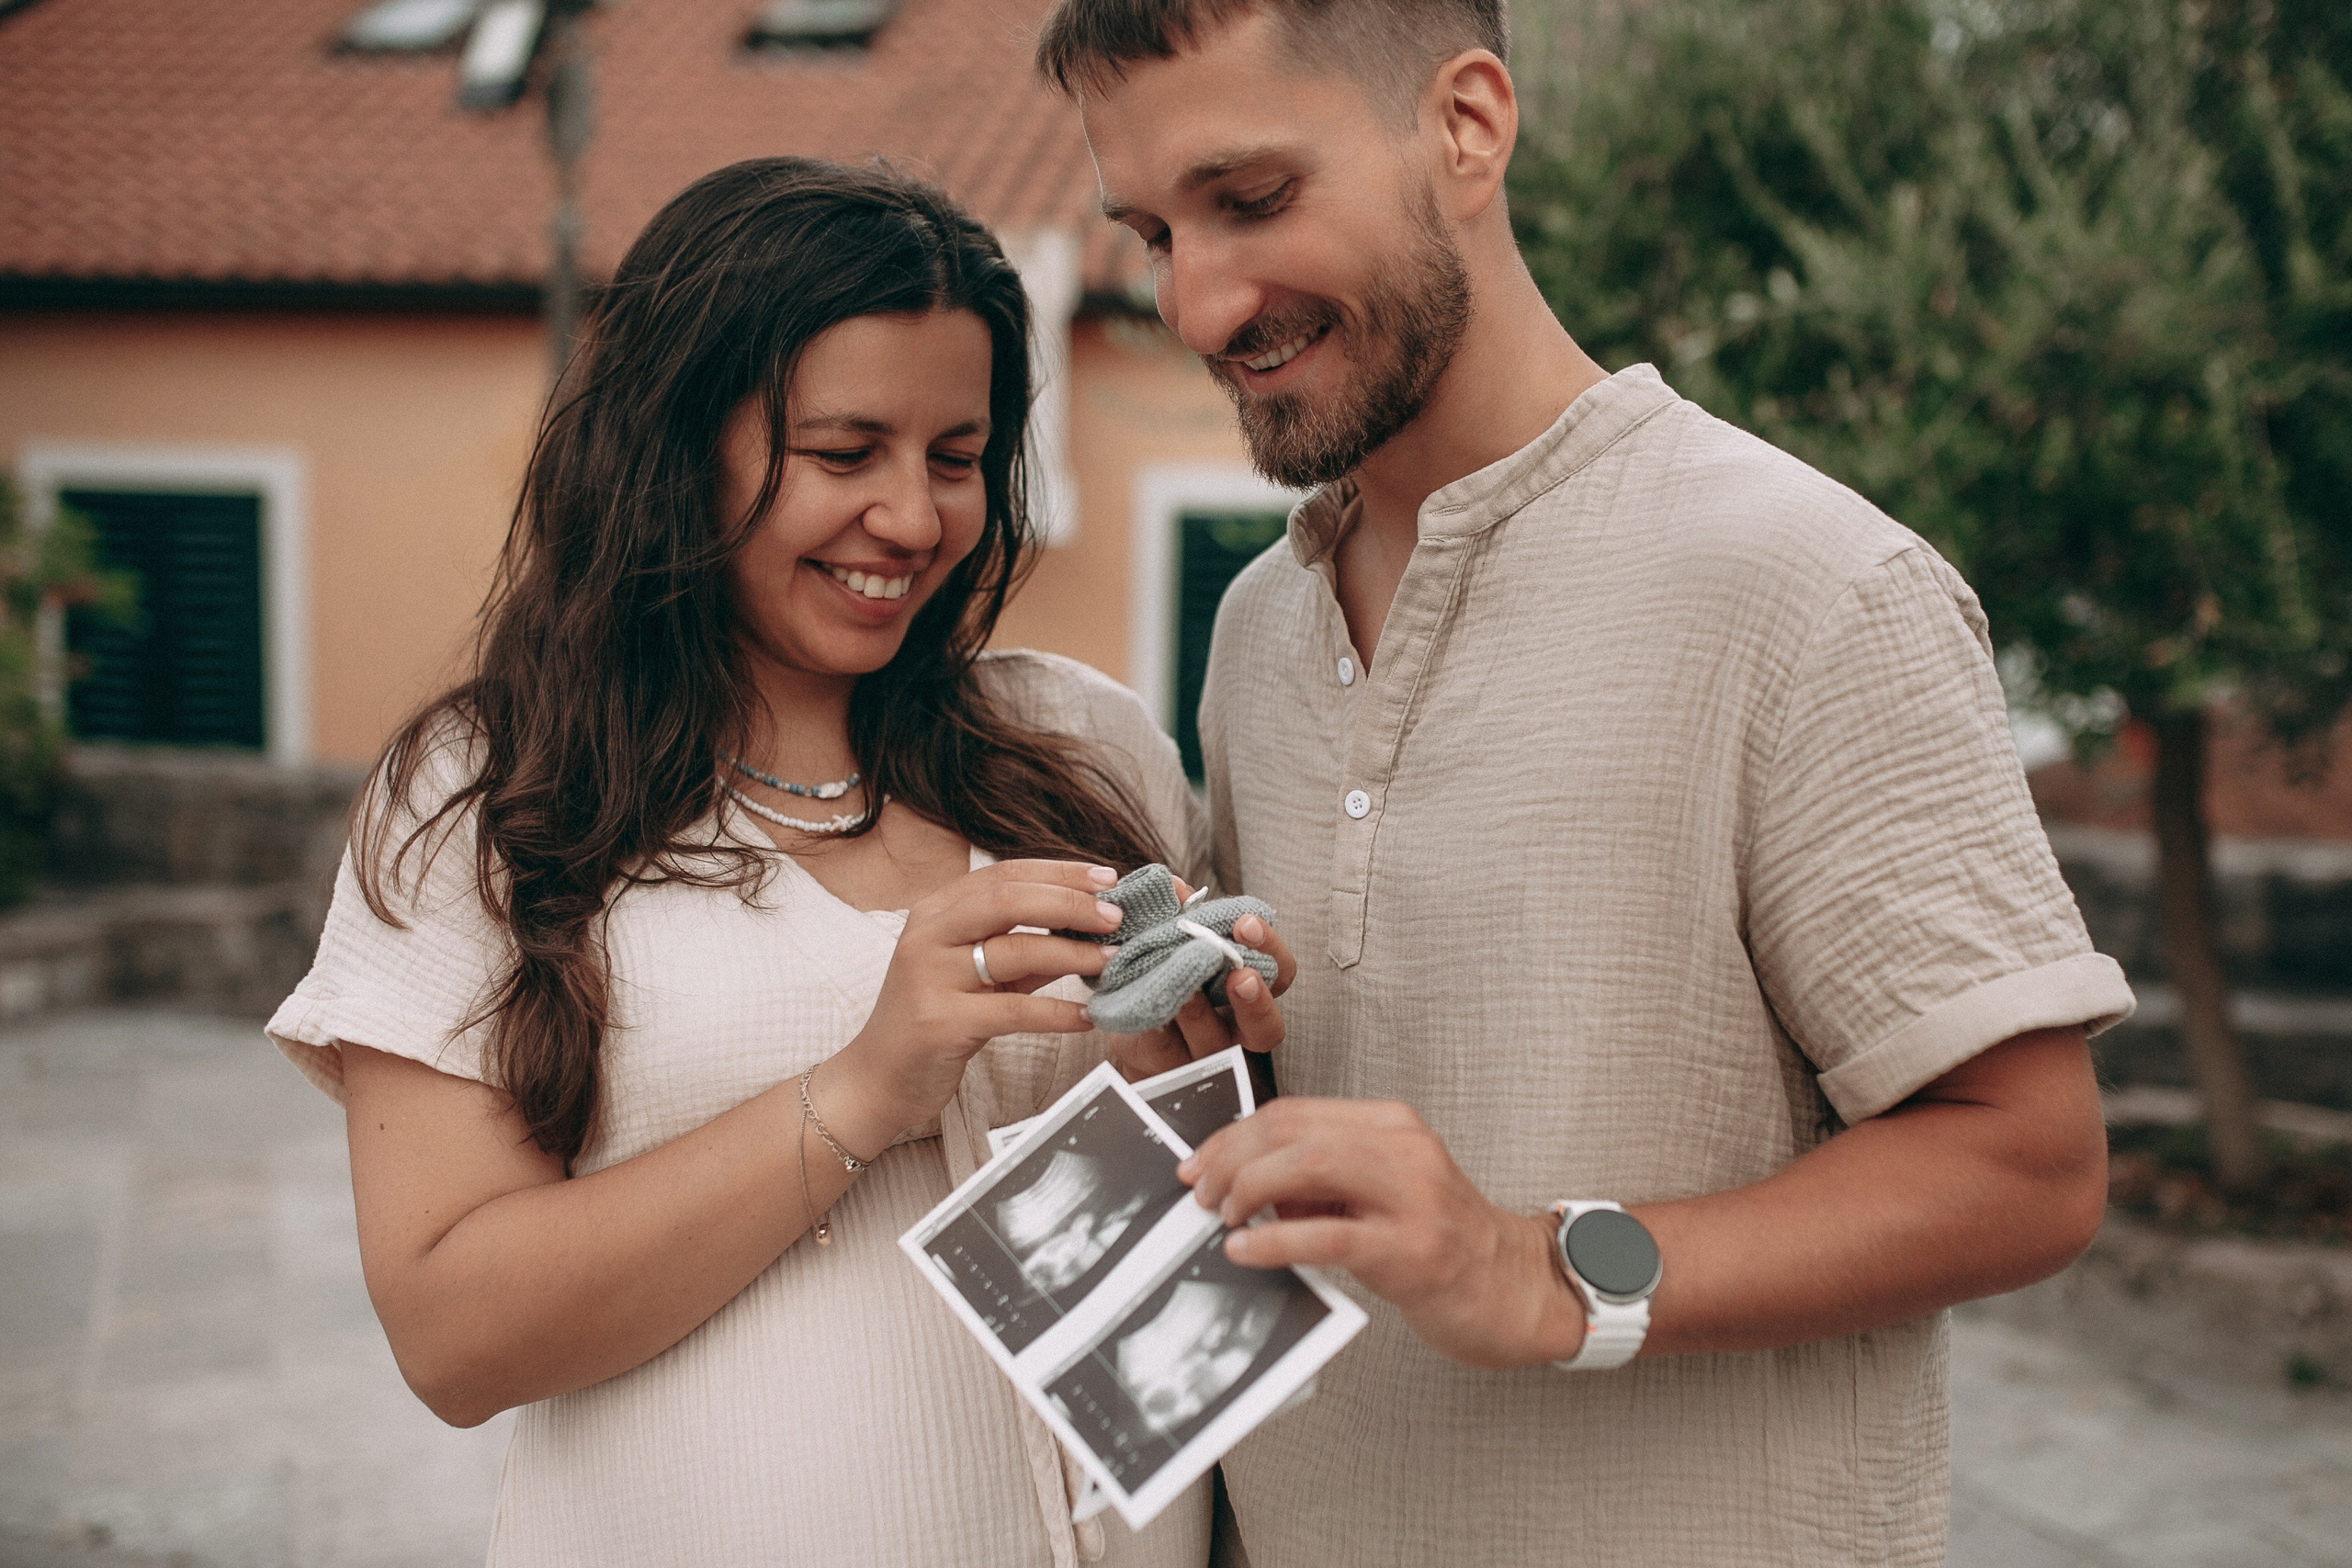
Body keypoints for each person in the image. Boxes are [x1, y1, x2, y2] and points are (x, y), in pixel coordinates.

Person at [1036, 3, 2137, 1564]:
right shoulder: (1256, 624)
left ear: (1468, 126)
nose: (1199, 302)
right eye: (1151, 231)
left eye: (1253, 200)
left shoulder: (1812, 585)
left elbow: (2031, 1165)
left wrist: (1537, 1269)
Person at [264, 157, 1291, 1568]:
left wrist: (1185, 1088)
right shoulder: (493, 793)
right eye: (843, 452)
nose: (916, 521)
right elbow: (451, 1342)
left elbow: (1165, 1329)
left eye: (953, 458)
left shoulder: (1085, 746)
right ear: (679, 445)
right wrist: (865, 1090)